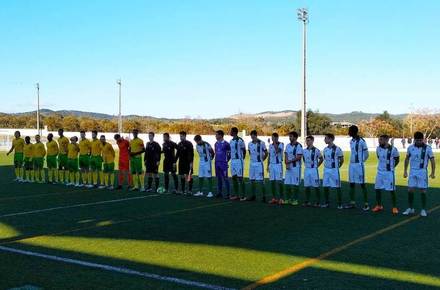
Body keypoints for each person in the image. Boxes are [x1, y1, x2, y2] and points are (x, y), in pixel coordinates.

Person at [403, 131, 436, 217]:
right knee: (410, 190)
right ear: (414, 140)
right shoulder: (410, 148)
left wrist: (433, 172)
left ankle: (423, 210)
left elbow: (432, 160)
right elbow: (406, 159)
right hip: (412, 171)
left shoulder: (428, 148)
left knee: (423, 190)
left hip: (422, 171)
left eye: (420, 140)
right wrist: (405, 171)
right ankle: (410, 208)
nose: (419, 142)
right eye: (417, 140)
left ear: (423, 139)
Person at [372, 135, 400, 214]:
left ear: (386, 140)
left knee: (391, 190)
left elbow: (397, 159)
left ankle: (394, 207)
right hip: (380, 172)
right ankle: (379, 205)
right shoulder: (378, 148)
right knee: (377, 189)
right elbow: (379, 157)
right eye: (379, 139)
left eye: (381, 140)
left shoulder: (393, 149)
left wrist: (392, 167)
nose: (379, 141)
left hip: (389, 173)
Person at [348, 125, 370, 210]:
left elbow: (366, 154)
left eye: (349, 131)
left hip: (359, 166)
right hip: (351, 165)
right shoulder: (351, 141)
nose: (348, 132)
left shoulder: (361, 141)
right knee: (351, 184)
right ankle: (352, 203)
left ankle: (366, 204)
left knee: (362, 184)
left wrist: (361, 161)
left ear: (353, 132)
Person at [322, 133, 344, 209]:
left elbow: (341, 160)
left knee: (337, 186)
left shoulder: (338, 149)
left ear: (331, 139)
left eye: (326, 138)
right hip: (326, 170)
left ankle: (340, 203)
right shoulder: (325, 149)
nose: (324, 140)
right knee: (325, 186)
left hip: (334, 170)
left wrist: (337, 167)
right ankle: (326, 203)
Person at [247, 130, 268, 202]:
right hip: (252, 164)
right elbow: (250, 152)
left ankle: (264, 196)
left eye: (253, 136)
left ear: (256, 135)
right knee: (252, 180)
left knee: (261, 181)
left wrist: (262, 160)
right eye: (251, 136)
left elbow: (266, 152)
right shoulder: (249, 144)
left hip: (259, 164)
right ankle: (253, 196)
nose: (252, 137)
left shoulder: (261, 143)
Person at [303, 135, 323, 207]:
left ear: (312, 141)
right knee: (306, 186)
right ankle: (307, 201)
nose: (307, 142)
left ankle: (318, 202)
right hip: (307, 170)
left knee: (316, 186)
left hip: (314, 170)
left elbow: (321, 158)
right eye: (306, 140)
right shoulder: (304, 151)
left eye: (308, 140)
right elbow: (304, 159)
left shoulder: (317, 150)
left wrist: (317, 166)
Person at [284, 131, 303, 205]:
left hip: (296, 168)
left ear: (295, 137)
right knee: (287, 184)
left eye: (291, 136)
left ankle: (295, 200)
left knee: (295, 184)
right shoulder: (288, 145)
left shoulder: (299, 146)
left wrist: (289, 161)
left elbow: (299, 157)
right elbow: (286, 154)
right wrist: (286, 163)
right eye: (289, 136)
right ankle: (288, 199)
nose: (289, 138)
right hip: (289, 167)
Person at [229, 127, 246, 200]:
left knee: (240, 178)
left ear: (234, 132)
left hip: (239, 161)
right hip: (233, 161)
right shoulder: (231, 141)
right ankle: (236, 195)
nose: (230, 132)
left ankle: (243, 195)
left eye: (231, 131)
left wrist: (242, 159)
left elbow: (244, 150)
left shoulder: (240, 140)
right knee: (234, 178)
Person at [268, 132, 284, 204]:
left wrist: (274, 143)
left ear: (277, 138)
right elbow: (269, 155)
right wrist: (268, 165)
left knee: (279, 182)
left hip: (278, 165)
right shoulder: (270, 145)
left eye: (273, 138)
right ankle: (274, 198)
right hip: (272, 165)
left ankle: (281, 198)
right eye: (272, 138)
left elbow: (277, 151)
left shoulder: (281, 144)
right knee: (272, 182)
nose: (272, 139)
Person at [214, 130, 231, 199]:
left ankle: (228, 194)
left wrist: (226, 161)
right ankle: (219, 192)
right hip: (217, 163)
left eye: (216, 135)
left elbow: (229, 154)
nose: (215, 136)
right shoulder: (215, 143)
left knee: (225, 178)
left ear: (220, 135)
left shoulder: (226, 144)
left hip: (223, 163)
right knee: (218, 178)